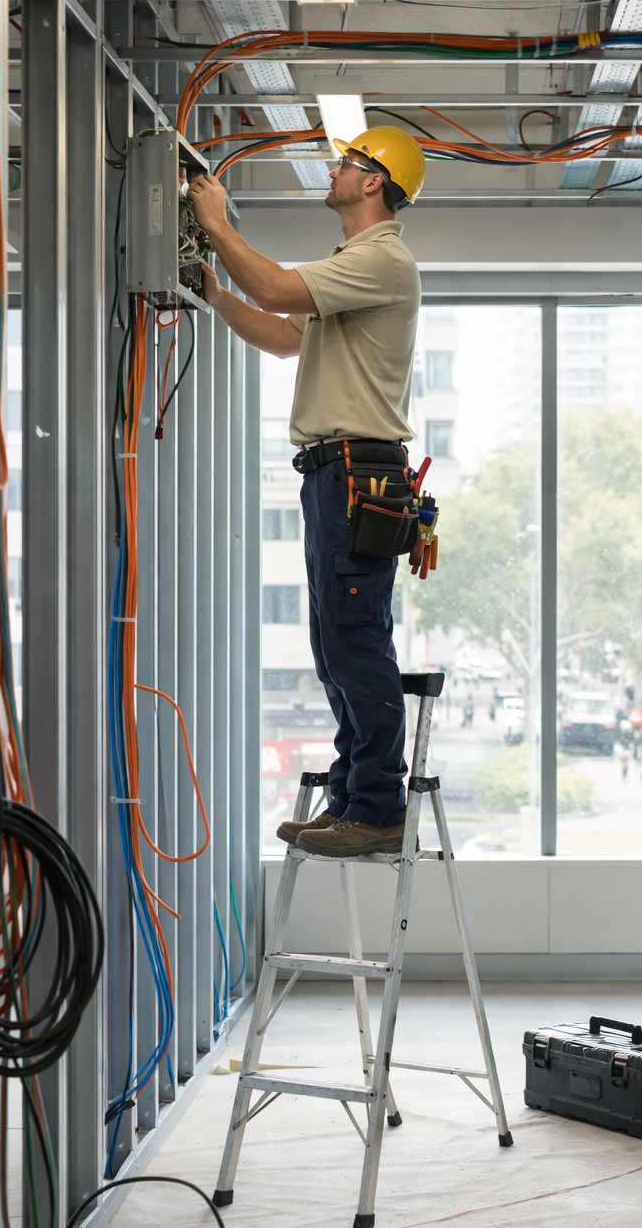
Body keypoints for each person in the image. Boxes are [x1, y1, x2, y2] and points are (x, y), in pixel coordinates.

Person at [187, 126, 426, 858]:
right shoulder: (352, 264)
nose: (334, 168)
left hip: (357, 471)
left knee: (354, 638)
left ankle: (378, 807)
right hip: (336, 473)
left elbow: (278, 288)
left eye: (347, 163)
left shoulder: (383, 259)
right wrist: (216, 296)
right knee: (333, 643)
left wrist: (217, 222)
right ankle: (355, 794)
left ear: (374, 183)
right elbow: (287, 334)